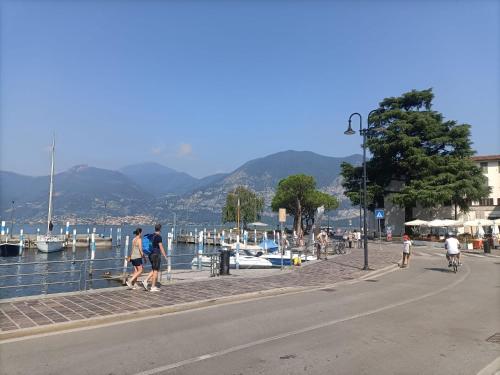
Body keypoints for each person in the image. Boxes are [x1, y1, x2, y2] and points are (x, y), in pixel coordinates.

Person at [142, 224, 167, 292]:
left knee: (154, 269)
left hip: (150, 254)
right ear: (160, 229)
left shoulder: (152, 235)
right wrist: (165, 255)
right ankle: (153, 287)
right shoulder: (158, 237)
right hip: (156, 254)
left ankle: (145, 280)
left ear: (155, 228)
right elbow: (161, 247)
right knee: (156, 270)